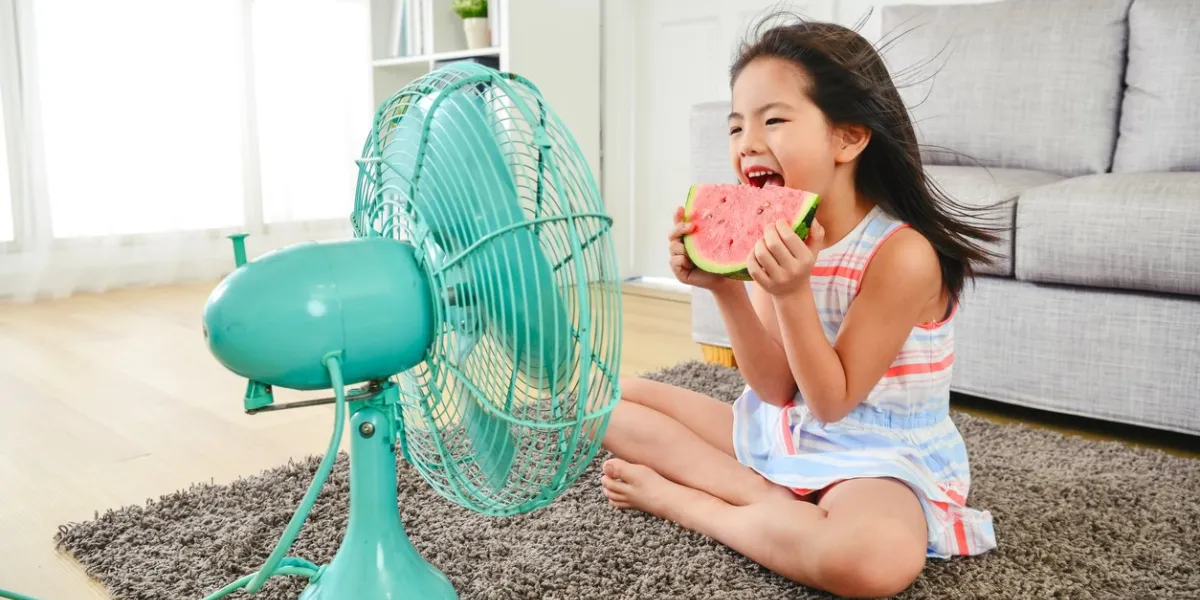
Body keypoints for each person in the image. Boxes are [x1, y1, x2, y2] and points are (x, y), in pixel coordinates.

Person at [599, 14, 999, 599]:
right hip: (788, 426)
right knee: (601, 404)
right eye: (736, 128)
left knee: (870, 562)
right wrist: (726, 287)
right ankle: (772, 500)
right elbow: (775, 390)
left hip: (877, 455)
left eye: (774, 121)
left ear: (849, 137)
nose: (747, 144)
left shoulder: (903, 255)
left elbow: (832, 402)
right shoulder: (776, 227)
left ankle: (696, 503)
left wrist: (791, 293)